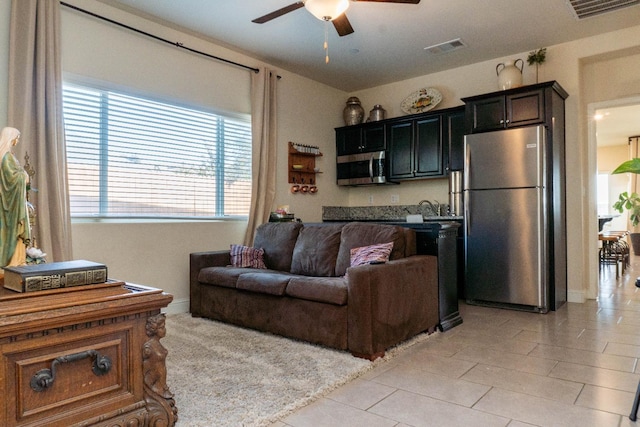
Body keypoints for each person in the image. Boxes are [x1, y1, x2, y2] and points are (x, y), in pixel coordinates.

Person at [0, 127, 30, 271]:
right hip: (10, 204)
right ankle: (12, 261)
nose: (17, 140)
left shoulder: (10, 155)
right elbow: (10, 179)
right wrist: (23, 176)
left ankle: (19, 259)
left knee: (18, 235)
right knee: (12, 231)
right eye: (16, 137)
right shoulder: (6, 157)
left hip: (16, 202)